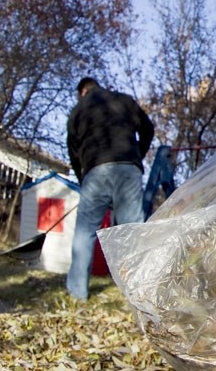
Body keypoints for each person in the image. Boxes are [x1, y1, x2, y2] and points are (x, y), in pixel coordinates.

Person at [66, 77, 155, 300]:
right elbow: (148, 129)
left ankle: (77, 293)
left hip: (96, 170)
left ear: (83, 91)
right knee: (132, 230)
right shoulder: (123, 100)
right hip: (128, 167)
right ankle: (140, 292)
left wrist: (82, 177)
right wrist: (136, 156)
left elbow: (73, 151)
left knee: (85, 231)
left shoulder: (78, 109)